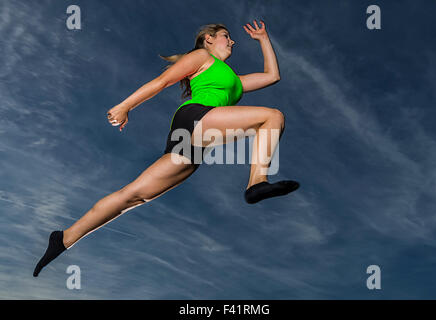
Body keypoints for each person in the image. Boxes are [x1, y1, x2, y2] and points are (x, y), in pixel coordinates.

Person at [33, 20, 299, 277]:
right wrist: (126, 106)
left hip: (196, 145)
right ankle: (256, 183)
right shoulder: (201, 58)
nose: (232, 41)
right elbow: (162, 81)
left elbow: (272, 76)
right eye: (225, 36)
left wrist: (263, 39)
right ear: (209, 39)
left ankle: (64, 238)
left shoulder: (236, 81)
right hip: (195, 118)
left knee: (132, 196)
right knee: (272, 116)